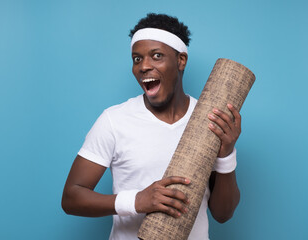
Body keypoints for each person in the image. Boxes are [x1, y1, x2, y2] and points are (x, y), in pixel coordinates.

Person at [62, 13, 241, 239]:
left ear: (181, 60)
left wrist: (227, 154)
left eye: (156, 56)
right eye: (137, 59)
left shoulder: (208, 120)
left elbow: (223, 214)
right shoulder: (115, 120)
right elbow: (71, 198)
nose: (144, 66)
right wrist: (136, 201)